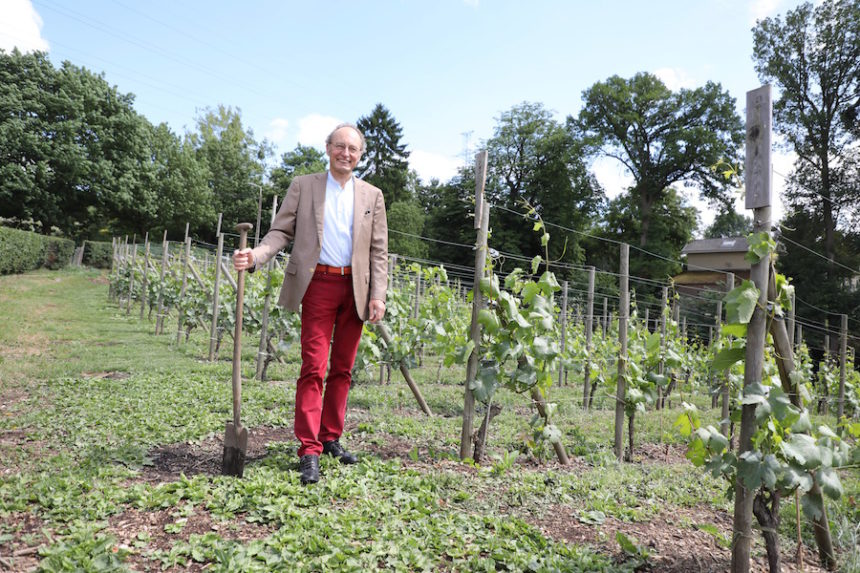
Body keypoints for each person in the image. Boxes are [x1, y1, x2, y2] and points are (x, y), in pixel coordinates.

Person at [232, 123, 388, 485]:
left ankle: (331, 436)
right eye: (339, 146)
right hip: (318, 283)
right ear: (328, 147)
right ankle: (308, 449)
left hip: (356, 289)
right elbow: (280, 232)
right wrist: (256, 255)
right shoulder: (304, 185)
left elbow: (378, 249)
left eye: (352, 149)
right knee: (313, 367)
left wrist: (378, 293)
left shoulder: (372, 196)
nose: (345, 153)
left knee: (343, 369)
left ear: (360, 155)